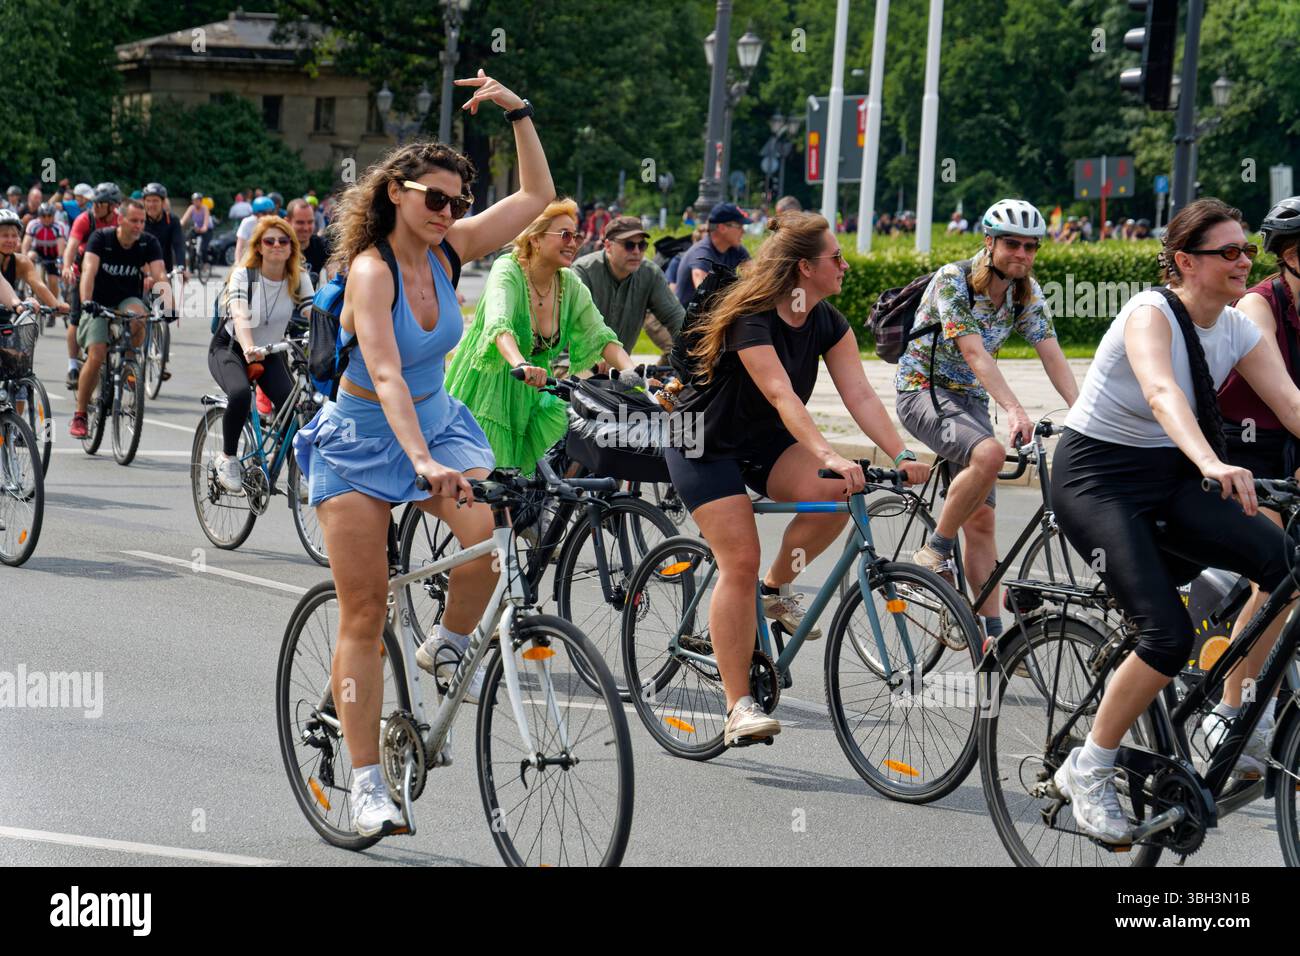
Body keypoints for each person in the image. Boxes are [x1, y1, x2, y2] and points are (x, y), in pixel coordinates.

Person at [292, 70, 555, 838]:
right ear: (396, 192)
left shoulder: (452, 250)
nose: (449, 214)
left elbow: (536, 199)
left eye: (458, 203)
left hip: (438, 426)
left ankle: (446, 642)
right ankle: (369, 782)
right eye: (434, 199)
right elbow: (382, 372)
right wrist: (420, 461)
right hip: (363, 439)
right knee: (366, 609)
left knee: (493, 538)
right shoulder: (370, 269)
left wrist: (520, 110)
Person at [1048, 198, 1300, 843]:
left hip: (1168, 477)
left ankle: (1231, 712)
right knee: (1164, 636)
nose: (1245, 260)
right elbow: (1161, 393)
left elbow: (1294, 406)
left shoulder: (1238, 328)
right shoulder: (1149, 312)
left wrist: (1200, 466)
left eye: (1247, 250)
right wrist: (1212, 462)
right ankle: (1091, 765)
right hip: (1096, 478)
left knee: (1284, 562)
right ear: (1185, 262)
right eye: (1229, 252)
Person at [664, 211, 930, 746]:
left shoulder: (827, 319)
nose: (846, 265)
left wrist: (902, 451)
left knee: (838, 489)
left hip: (764, 444)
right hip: (705, 441)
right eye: (837, 258)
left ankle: (773, 588)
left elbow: (858, 394)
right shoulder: (753, 316)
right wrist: (828, 451)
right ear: (805, 267)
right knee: (738, 558)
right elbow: (781, 393)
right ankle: (738, 705)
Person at [895, 198, 1078, 645]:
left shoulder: (1025, 292)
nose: (1022, 254)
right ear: (990, 241)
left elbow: (1052, 355)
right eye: (1012, 244)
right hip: (924, 390)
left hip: (971, 401)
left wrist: (1088, 412)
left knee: (982, 524)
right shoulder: (953, 280)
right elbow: (975, 353)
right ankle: (932, 554)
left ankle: (993, 639)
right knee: (991, 452)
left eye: (1031, 247)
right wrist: (1015, 409)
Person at [1201, 195, 1300, 776]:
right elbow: (1286, 398)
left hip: (1290, 439)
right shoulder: (1258, 307)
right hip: (1237, 446)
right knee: (1281, 573)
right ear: (1288, 257)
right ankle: (1234, 709)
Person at [445, 197, 638, 472]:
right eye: (565, 235)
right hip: (491, 387)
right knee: (492, 487)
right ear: (535, 239)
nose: (573, 243)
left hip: (535, 390)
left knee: (545, 477)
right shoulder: (507, 270)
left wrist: (633, 372)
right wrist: (519, 363)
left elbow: (601, 335)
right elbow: (499, 326)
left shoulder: (569, 284)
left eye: (577, 236)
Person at [207, 215, 314, 490]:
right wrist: (248, 346)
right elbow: (240, 314)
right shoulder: (246, 275)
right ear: (259, 247)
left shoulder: (297, 278)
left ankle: (298, 474)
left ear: (291, 246)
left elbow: (312, 313)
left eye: (283, 240)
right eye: (269, 241)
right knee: (241, 394)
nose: (276, 245)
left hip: (271, 351)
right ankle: (227, 457)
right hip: (231, 348)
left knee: (295, 408)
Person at [69, 198, 170, 438]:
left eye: (142, 221)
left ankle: (129, 363)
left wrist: (168, 306)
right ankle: (81, 414)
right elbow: (89, 272)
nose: (139, 226)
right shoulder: (101, 239)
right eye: (134, 220)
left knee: (139, 315)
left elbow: (160, 273)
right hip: (98, 301)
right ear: (120, 219)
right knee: (97, 353)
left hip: (127, 300)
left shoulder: (148, 242)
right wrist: (87, 302)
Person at [571, 214, 684, 357]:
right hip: (575, 361)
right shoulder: (583, 271)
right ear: (608, 246)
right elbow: (577, 325)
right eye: (629, 245)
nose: (637, 252)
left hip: (620, 369)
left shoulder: (650, 273)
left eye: (642, 245)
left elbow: (675, 316)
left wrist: (695, 348)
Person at [62, 184, 122, 389]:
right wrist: (68, 266)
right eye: (93, 202)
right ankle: (72, 365)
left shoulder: (121, 220)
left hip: (110, 275)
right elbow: (71, 246)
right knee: (76, 319)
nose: (95, 206)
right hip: (83, 274)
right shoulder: (85, 219)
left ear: (112, 206)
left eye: (100, 203)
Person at [674, 202, 752, 307]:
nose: (743, 231)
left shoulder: (736, 250)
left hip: (715, 316)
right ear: (722, 228)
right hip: (692, 320)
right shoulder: (702, 254)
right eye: (740, 226)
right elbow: (706, 299)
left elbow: (756, 278)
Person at [0, 209, 68, 318]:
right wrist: (18, 304)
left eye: (14, 236)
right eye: (5, 235)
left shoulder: (21, 262)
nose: (10, 240)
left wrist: (57, 306)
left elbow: (39, 285)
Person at [141, 183, 186, 275]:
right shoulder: (139, 219)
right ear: (144, 202)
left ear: (163, 202)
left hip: (164, 271)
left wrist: (181, 266)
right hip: (142, 270)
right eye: (148, 201)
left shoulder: (172, 220)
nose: (151, 204)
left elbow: (178, 246)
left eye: (155, 201)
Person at [286, 198, 331, 284]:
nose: (306, 228)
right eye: (300, 223)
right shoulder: (278, 246)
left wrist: (335, 263)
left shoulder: (320, 245)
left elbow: (339, 255)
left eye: (310, 222)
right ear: (288, 222)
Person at [234, 196, 276, 265]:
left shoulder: (273, 223)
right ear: (256, 213)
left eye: (270, 213)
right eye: (264, 213)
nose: (268, 216)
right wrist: (237, 262)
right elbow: (240, 245)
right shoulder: (247, 222)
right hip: (248, 257)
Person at [180, 192, 212, 268]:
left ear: (201, 201)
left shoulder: (205, 208)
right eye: (194, 201)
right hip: (197, 229)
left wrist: (204, 228)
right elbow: (183, 220)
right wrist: (178, 225)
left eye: (197, 200)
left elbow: (206, 221)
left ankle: (205, 263)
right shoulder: (191, 208)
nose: (195, 202)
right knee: (188, 242)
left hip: (207, 230)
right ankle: (192, 266)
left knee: (203, 248)